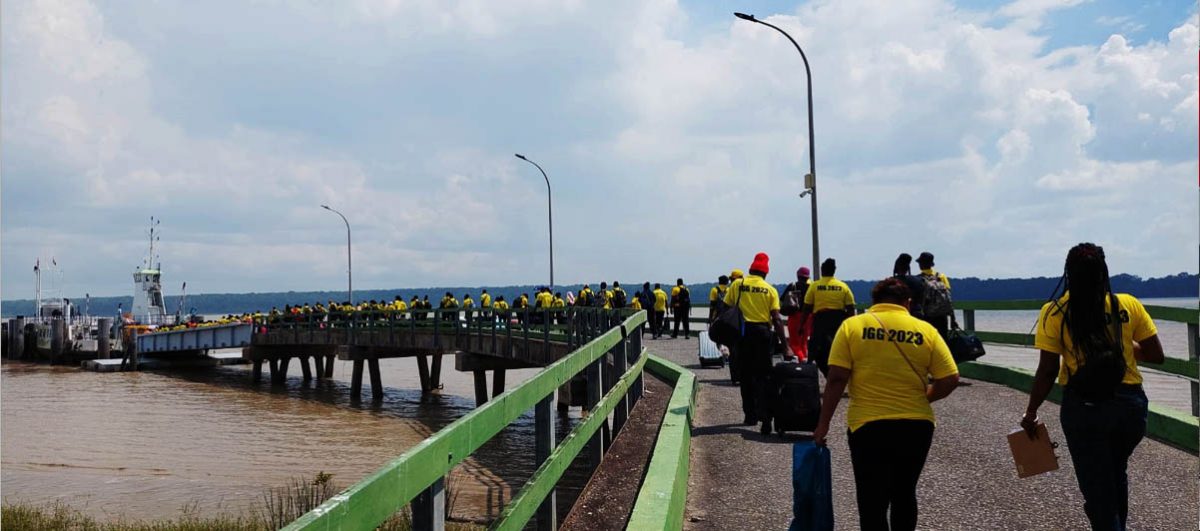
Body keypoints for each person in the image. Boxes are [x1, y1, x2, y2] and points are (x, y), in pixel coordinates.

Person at [1021, 243, 1163, 530]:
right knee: (1114, 474)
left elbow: (1048, 370)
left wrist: (1031, 411)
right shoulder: (1127, 304)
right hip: (1131, 407)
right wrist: (1121, 345)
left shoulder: (1055, 311)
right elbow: (1155, 354)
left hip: (1085, 409)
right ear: (1103, 271)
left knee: (1098, 494)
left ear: (1069, 274)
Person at [813, 277, 959, 531]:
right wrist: (926, 397)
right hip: (917, 425)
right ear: (908, 303)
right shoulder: (926, 330)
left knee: (872, 499)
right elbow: (950, 378)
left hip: (868, 426)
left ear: (874, 302)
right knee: (904, 492)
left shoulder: (852, 327)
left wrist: (822, 425)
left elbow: (836, 378)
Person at [723, 253, 788, 434]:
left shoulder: (738, 284)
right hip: (762, 334)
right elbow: (776, 318)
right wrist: (785, 345)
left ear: (750, 269)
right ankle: (766, 418)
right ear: (765, 273)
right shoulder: (770, 290)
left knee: (745, 376)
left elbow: (726, 308)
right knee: (764, 377)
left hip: (742, 334)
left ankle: (750, 414)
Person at [799, 258, 856, 376]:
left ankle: (814, 370)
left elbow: (807, 308)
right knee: (838, 348)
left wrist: (801, 325)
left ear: (822, 270)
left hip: (821, 320)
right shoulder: (843, 286)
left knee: (815, 349)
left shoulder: (815, 286)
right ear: (834, 270)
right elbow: (850, 308)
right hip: (838, 321)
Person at [916, 251, 953, 338]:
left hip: (927, 316)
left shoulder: (918, 279)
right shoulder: (941, 276)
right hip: (942, 316)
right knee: (943, 341)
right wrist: (953, 319)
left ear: (921, 264)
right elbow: (948, 297)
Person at [781, 267, 812, 361]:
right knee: (804, 342)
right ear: (808, 277)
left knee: (794, 343)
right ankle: (806, 360)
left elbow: (783, 299)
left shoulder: (792, 285)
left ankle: (801, 361)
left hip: (795, 316)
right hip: (808, 317)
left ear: (798, 275)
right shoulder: (811, 288)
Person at [892, 254, 926, 321]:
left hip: (898, 316)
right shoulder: (919, 281)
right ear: (908, 268)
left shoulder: (891, 283)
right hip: (916, 316)